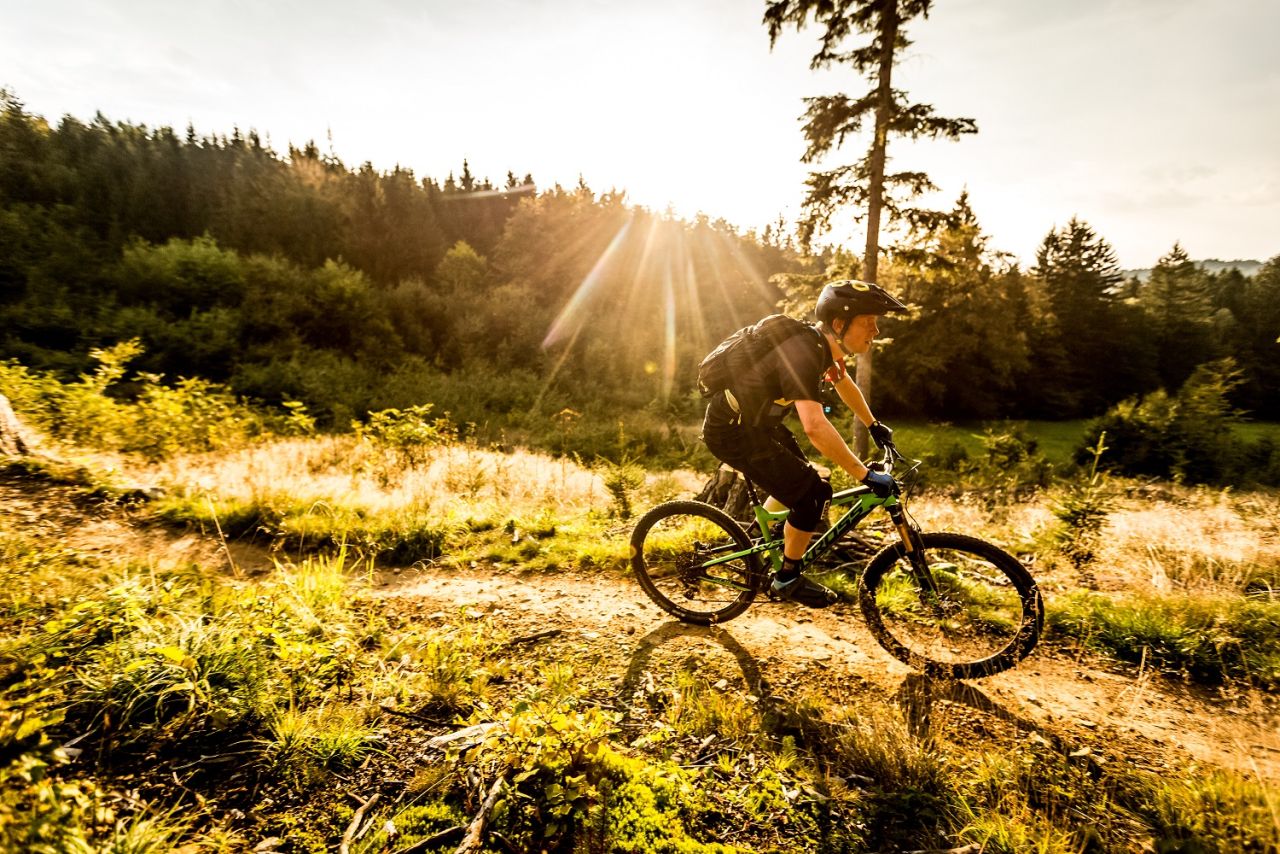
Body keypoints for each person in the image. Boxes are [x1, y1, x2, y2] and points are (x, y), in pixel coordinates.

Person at [700, 280, 905, 607]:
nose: (876, 331)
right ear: (840, 324)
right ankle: (786, 578)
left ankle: (757, 541)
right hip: (733, 431)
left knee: (811, 480)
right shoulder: (804, 351)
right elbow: (814, 426)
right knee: (812, 495)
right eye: (869, 323)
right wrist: (864, 475)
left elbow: (843, 382)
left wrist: (874, 425)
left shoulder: (821, 347)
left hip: (759, 426)